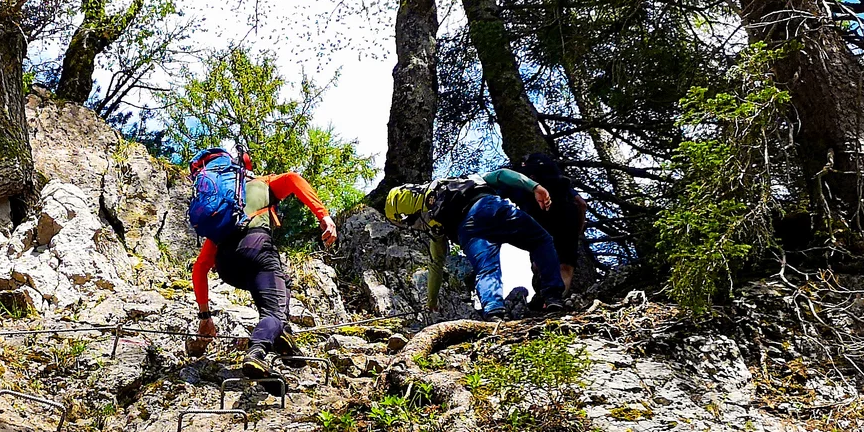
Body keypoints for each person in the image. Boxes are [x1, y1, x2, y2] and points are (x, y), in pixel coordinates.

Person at [184, 147, 339, 376]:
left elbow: (200, 268)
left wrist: (205, 317)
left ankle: (282, 336)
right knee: (274, 310)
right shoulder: (259, 184)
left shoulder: (223, 214)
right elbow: (293, 178)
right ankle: (257, 352)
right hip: (257, 248)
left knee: (276, 289)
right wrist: (323, 215)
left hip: (227, 266)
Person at [383, 168, 565, 318]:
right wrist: (535, 187)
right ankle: (552, 297)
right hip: (489, 205)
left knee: (487, 269)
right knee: (541, 240)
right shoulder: (457, 182)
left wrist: (431, 301)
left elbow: (436, 264)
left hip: (467, 230)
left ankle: (494, 313)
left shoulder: (434, 221)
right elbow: (501, 175)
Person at [514, 151, 589, 291]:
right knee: (566, 266)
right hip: (566, 217)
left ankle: (547, 297)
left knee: (539, 263)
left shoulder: (524, 181)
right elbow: (582, 204)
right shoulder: (559, 182)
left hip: (538, 219)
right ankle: (557, 301)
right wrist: (577, 230)